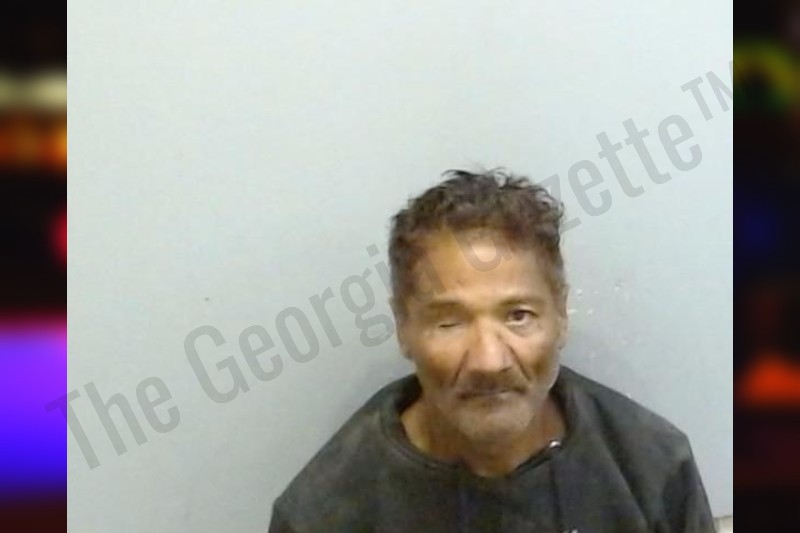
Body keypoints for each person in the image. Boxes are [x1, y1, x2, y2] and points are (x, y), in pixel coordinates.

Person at [268, 169, 715, 532]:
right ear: (404, 326)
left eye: (518, 316)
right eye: (450, 322)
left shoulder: (652, 469)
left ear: (560, 315)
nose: (489, 361)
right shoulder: (323, 513)